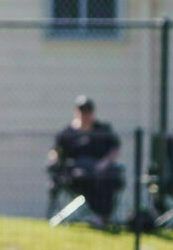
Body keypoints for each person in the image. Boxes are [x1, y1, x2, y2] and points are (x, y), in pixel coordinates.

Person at [47, 95, 123, 226]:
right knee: (85, 179)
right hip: (77, 175)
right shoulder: (68, 133)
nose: (85, 115)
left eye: (88, 111)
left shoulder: (102, 130)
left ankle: (103, 217)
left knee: (108, 179)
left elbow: (115, 148)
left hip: (100, 172)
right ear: (76, 112)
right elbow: (56, 151)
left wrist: (104, 163)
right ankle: (100, 216)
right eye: (82, 111)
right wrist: (55, 160)